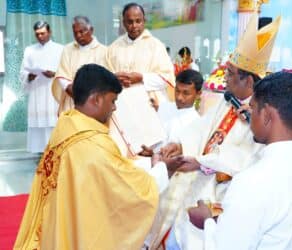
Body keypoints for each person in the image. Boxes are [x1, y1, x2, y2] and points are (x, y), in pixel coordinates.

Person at [146, 7, 281, 249]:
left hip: (222, 190)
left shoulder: (263, 112)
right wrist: (180, 144)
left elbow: (250, 157)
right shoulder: (226, 99)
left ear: (248, 80)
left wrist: (202, 162)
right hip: (199, 174)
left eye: (230, 74)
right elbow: (202, 127)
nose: (224, 78)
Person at [14, 64, 180, 250]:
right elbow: (127, 190)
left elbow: (112, 168)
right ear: (96, 100)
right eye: (113, 101)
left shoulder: (67, 125)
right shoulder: (91, 144)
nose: (114, 108)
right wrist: (163, 169)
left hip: (54, 230)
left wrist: (151, 162)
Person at [188, 71, 292, 249]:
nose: (248, 114)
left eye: (253, 108)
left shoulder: (251, 181)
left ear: (267, 115)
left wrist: (207, 222)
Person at [105, 2, 175, 156]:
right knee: (126, 151)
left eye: (138, 21)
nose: (134, 26)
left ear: (144, 21)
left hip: (149, 105)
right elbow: (106, 77)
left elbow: (167, 78)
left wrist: (142, 77)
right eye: (129, 22)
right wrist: (115, 79)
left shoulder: (156, 46)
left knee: (151, 152)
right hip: (122, 107)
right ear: (123, 23)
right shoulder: (113, 48)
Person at [20, 21, 63, 153]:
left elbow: (67, 71)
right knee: (39, 125)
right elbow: (23, 72)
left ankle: (55, 155)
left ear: (49, 32)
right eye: (37, 34)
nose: (40, 37)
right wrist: (29, 76)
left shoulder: (60, 49)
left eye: (43, 33)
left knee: (53, 124)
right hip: (37, 93)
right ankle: (41, 157)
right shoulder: (29, 50)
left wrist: (54, 74)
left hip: (52, 93)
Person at [52, 15, 107, 115]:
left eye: (82, 31)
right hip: (72, 99)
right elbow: (62, 75)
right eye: (75, 33)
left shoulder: (104, 51)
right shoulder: (67, 50)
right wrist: (73, 91)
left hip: (95, 102)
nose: (78, 36)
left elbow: (106, 79)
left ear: (91, 30)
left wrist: (88, 96)